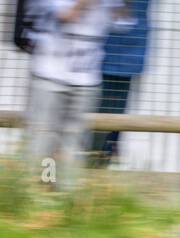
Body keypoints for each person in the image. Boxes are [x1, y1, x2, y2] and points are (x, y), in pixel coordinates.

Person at [24, 0, 126, 188]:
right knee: (44, 138)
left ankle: (64, 195)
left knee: (74, 141)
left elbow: (121, 21)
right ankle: (39, 193)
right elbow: (66, 15)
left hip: (86, 80)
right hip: (50, 76)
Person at [91, 0, 149, 166]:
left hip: (123, 55)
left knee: (109, 119)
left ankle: (102, 158)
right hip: (100, 54)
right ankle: (100, 156)